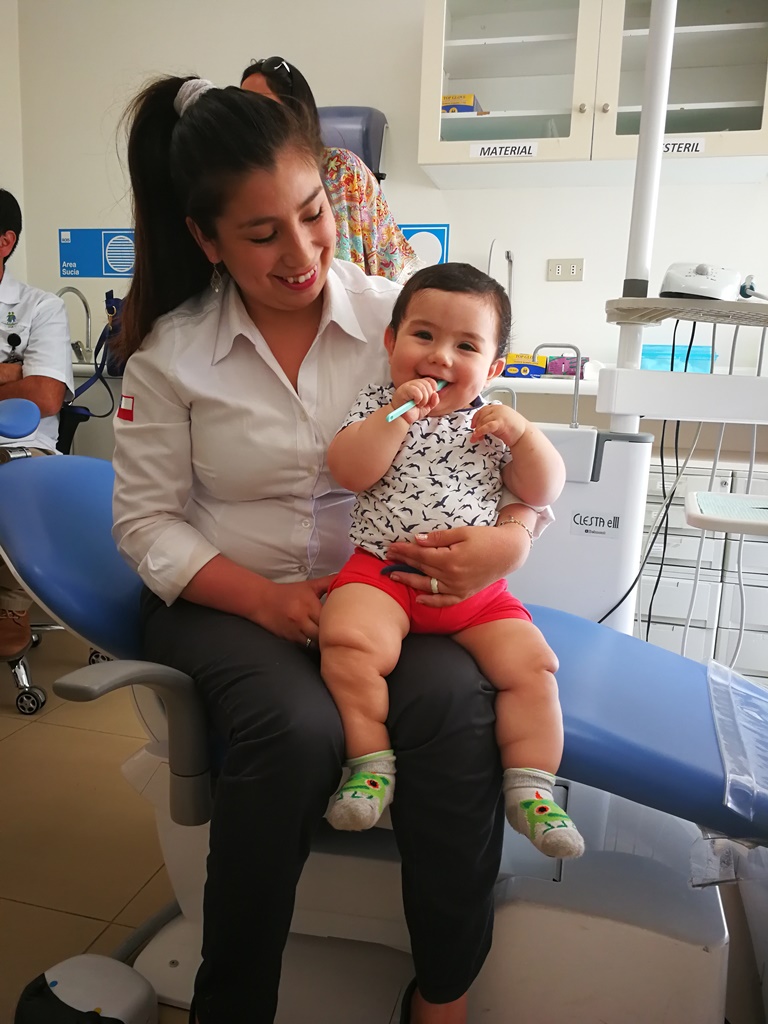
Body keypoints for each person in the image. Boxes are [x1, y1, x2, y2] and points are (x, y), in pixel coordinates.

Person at [112, 76, 537, 1024]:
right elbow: (145, 525)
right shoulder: (173, 357)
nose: (302, 253)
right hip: (231, 597)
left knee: (455, 710)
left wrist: (506, 545)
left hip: (389, 591)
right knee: (295, 731)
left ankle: (442, 994)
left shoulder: (409, 324)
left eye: (313, 215)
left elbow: (508, 455)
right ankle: (234, 1004)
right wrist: (266, 602)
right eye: (263, 234)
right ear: (207, 240)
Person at [320, 263, 584, 860]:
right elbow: (350, 471)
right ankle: (370, 765)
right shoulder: (375, 408)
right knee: (347, 642)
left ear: (492, 369)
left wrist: (525, 437)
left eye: (466, 346)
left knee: (534, 667)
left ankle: (532, 788)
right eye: (423, 336)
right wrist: (397, 415)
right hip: (381, 574)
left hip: (478, 593)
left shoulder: (495, 424)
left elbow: (542, 490)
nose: (440, 356)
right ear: (391, 341)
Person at [241, 56, 421, 283]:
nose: (253, 119)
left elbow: (396, 268)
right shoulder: (237, 184)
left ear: (296, 111)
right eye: (243, 109)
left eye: (264, 107)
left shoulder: (343, 171)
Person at [0, 187, 73, 660]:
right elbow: (30, 382)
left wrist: (28, 379)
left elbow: (45, 395)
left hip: (18, 448)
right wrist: (12, 372)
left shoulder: (40, 307)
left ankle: (10, 605)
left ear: (5, 242)